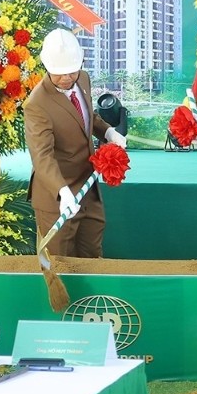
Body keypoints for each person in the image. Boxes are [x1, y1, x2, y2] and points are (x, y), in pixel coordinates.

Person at [24, 28, 126, 258]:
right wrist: (62, 191)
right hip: (56, 195)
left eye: (72, 71)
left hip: (88, 185)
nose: (67, 78)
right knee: (61, 260)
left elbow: (86, 116)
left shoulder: (83, 79)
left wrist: (108, 132)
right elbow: (42, 157)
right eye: (59, 73)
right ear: (46, 66)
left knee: (92, 252)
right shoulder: (36, 105)